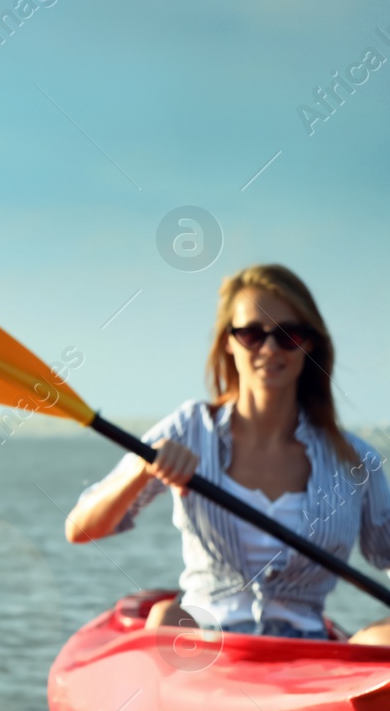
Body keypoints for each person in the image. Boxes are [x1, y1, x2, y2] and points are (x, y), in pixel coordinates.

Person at [64, 264, 390, 644]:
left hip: (308, 653)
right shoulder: (188, 429)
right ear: (228, 343)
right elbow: (80, 529)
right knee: (167, 615)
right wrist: (142, 467)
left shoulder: (355, 460)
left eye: (289, 335)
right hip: (205, 643)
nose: (269, 348)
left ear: (309, 344)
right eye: (252, 334)